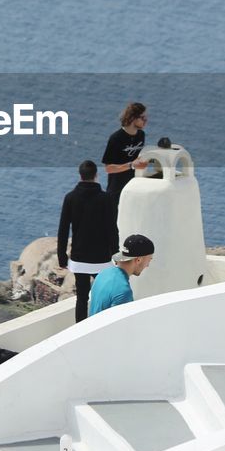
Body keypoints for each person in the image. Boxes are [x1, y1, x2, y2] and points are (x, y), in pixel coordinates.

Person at [57, 160, 119, 322]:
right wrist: (116, 252)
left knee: (81, 297)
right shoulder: (106, 199)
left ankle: (80, 329)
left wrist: (62, 257)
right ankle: (99, 326)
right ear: (96, 176)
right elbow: (112, 228)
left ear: (80, 176)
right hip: (101, 258)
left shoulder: (70, 198)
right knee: (103, 295)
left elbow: (63, 230)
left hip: (79, 257)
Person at [87, 234, 156, 317]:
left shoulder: (103, 273)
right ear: (138, 260)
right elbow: (120, 327)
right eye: (149, 260)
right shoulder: (123, 291)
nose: (147, 265)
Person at [103, 103, 150, 203]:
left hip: (134, 188)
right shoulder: (116, 138)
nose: (146, 121)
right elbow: (108, 168)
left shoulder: (141, 135)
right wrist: (131, 165)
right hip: (116, 191)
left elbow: (137, 159)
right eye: (143, 118)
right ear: (133, 118)